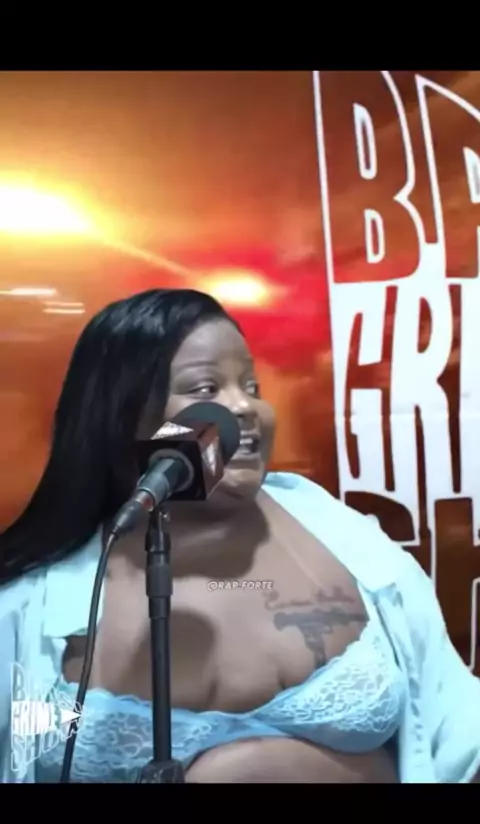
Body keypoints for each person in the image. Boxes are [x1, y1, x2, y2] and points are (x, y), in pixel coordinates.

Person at [0, 288, 479, 784]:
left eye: (251, 385)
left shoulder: (336, 531)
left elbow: (456, 728)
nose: (244, 407)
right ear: (124, 415)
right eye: (206, 389)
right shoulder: (33, 607)